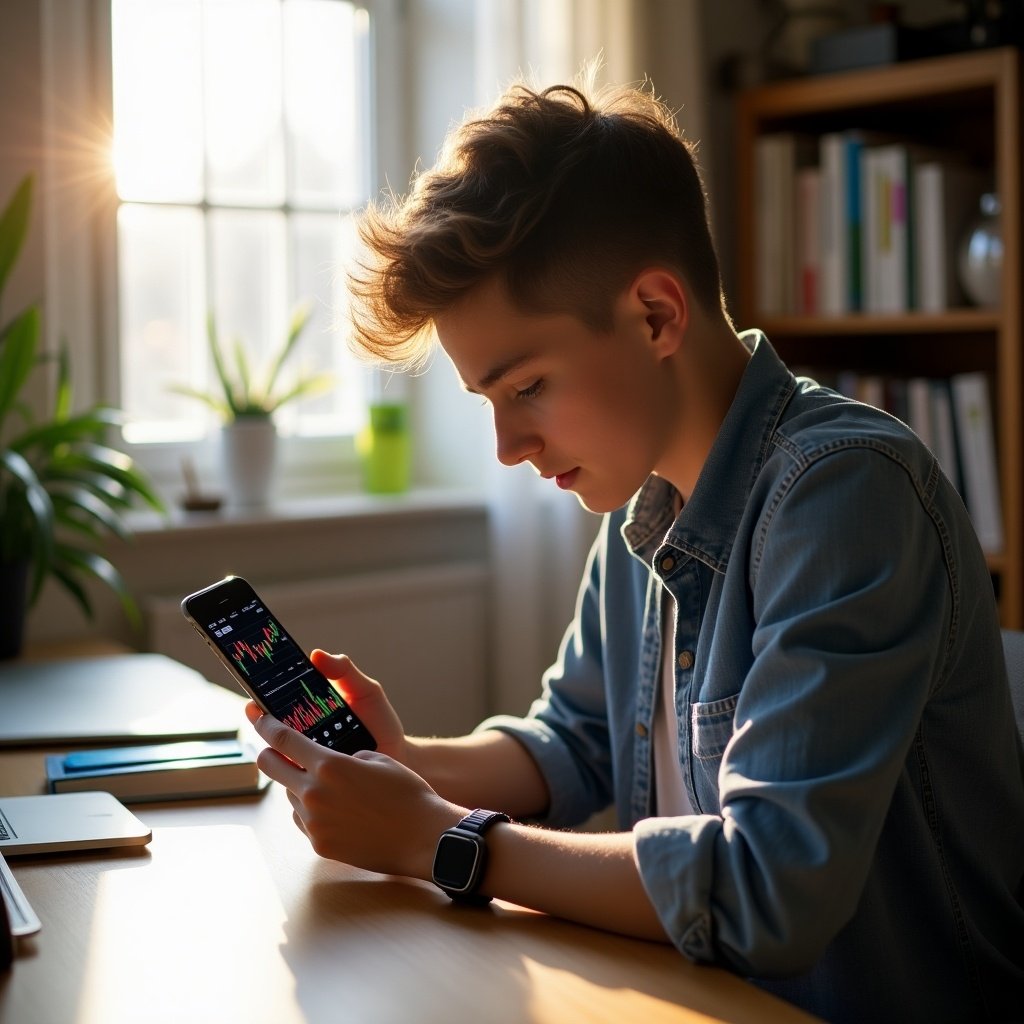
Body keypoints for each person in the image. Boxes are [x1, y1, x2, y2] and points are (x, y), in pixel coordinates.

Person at [245, 75, 1024, 1022]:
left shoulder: (845, 494)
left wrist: (443, 840)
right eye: (487, 401)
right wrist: (407, 764)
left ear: (656, 314)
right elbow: (573, 746)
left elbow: (768, 889)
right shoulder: (639, 504)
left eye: (527, 386)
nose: (508, 447)